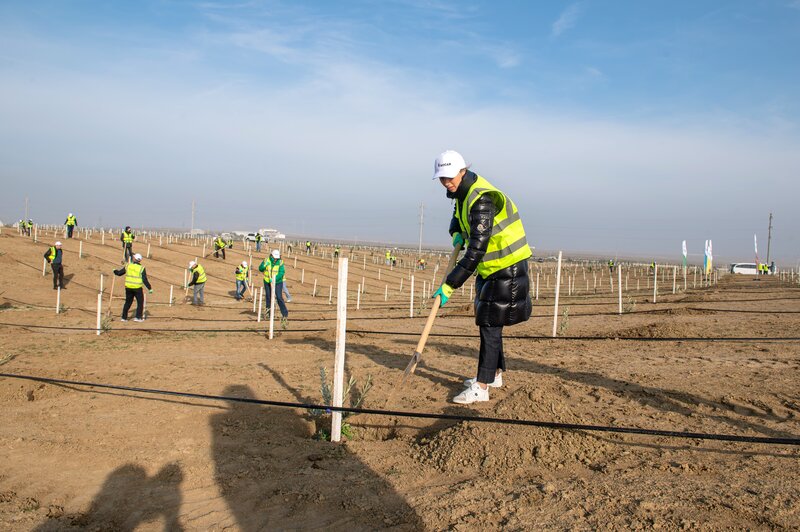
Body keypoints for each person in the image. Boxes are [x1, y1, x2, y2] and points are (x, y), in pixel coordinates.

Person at [431, 150, 532, 404]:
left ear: (463, 171)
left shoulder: (482, 200)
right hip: (492, 267)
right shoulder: (462, 193)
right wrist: (456, 232)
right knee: (490, 320)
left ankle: (482, 387)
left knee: (489, 324)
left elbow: (476, 250)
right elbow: (458, 216)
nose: (447, 182)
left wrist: (449, 285)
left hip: (506, 265)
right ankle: (495, 374)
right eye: (442, 178)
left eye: (450, 177)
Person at [113, 253, 152, 322]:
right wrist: (149, 288)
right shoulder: (141, 268)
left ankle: (124, 318)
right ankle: (138, 317)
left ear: (134, 259)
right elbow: (144, 279)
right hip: (137, 288)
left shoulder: (128, 266)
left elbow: (119, 273)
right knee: (140, 303)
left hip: (128, 287)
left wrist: (114, 271)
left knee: (128, 302)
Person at [259, 249, 289, 329]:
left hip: (278, 282)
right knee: (268, 297)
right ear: (271, 255)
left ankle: (285, 313)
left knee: (279, 297)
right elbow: (260, 269)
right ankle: (268, 313)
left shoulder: (281, 262)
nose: (276, 259)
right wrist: (264, 265)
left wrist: (274, 279)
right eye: (274, 257)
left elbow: (282, 272)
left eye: (277, 258)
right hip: (267, 281)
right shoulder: (266, 260)